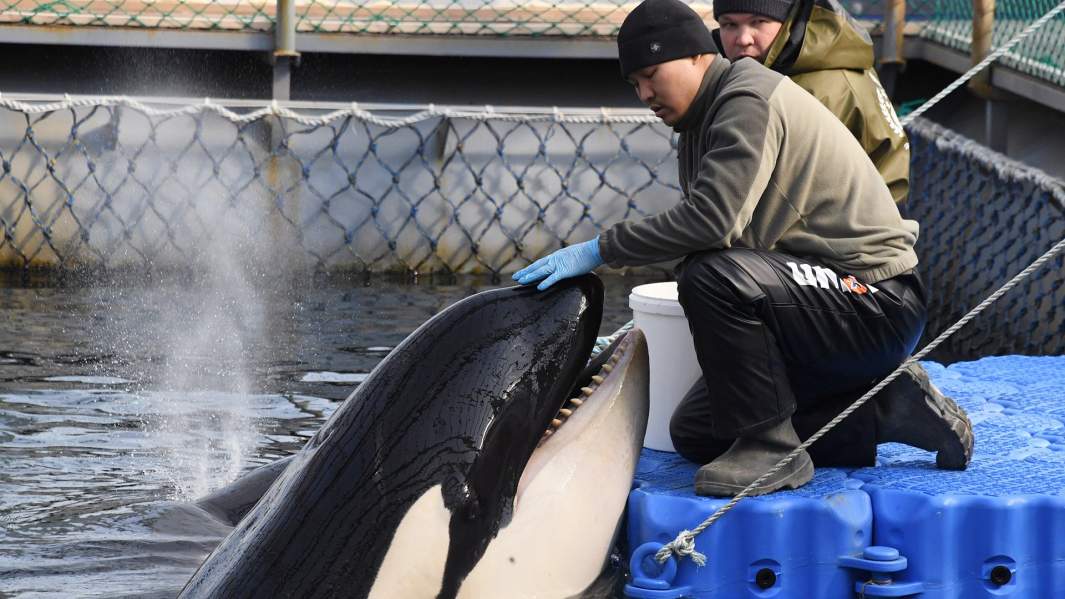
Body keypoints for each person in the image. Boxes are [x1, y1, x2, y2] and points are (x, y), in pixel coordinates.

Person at [513, 0, 972, 497]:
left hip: (876, 301)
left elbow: (713, 222)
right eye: (634, 84)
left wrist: (601, 249)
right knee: (695, 433)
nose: (644, 93)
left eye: (651, 74)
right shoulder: (700, 118)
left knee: (710, 272)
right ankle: (888, 412)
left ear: (695, 56)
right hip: (819, 299)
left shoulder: (747, 98)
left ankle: (773, 452)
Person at [712, 0, 911, 204]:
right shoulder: (746, 74)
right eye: (729, 25)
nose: (743, 39)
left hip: (841, 229)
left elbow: (888, 177)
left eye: (759, 22)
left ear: (789, 19)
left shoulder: (829, 89)